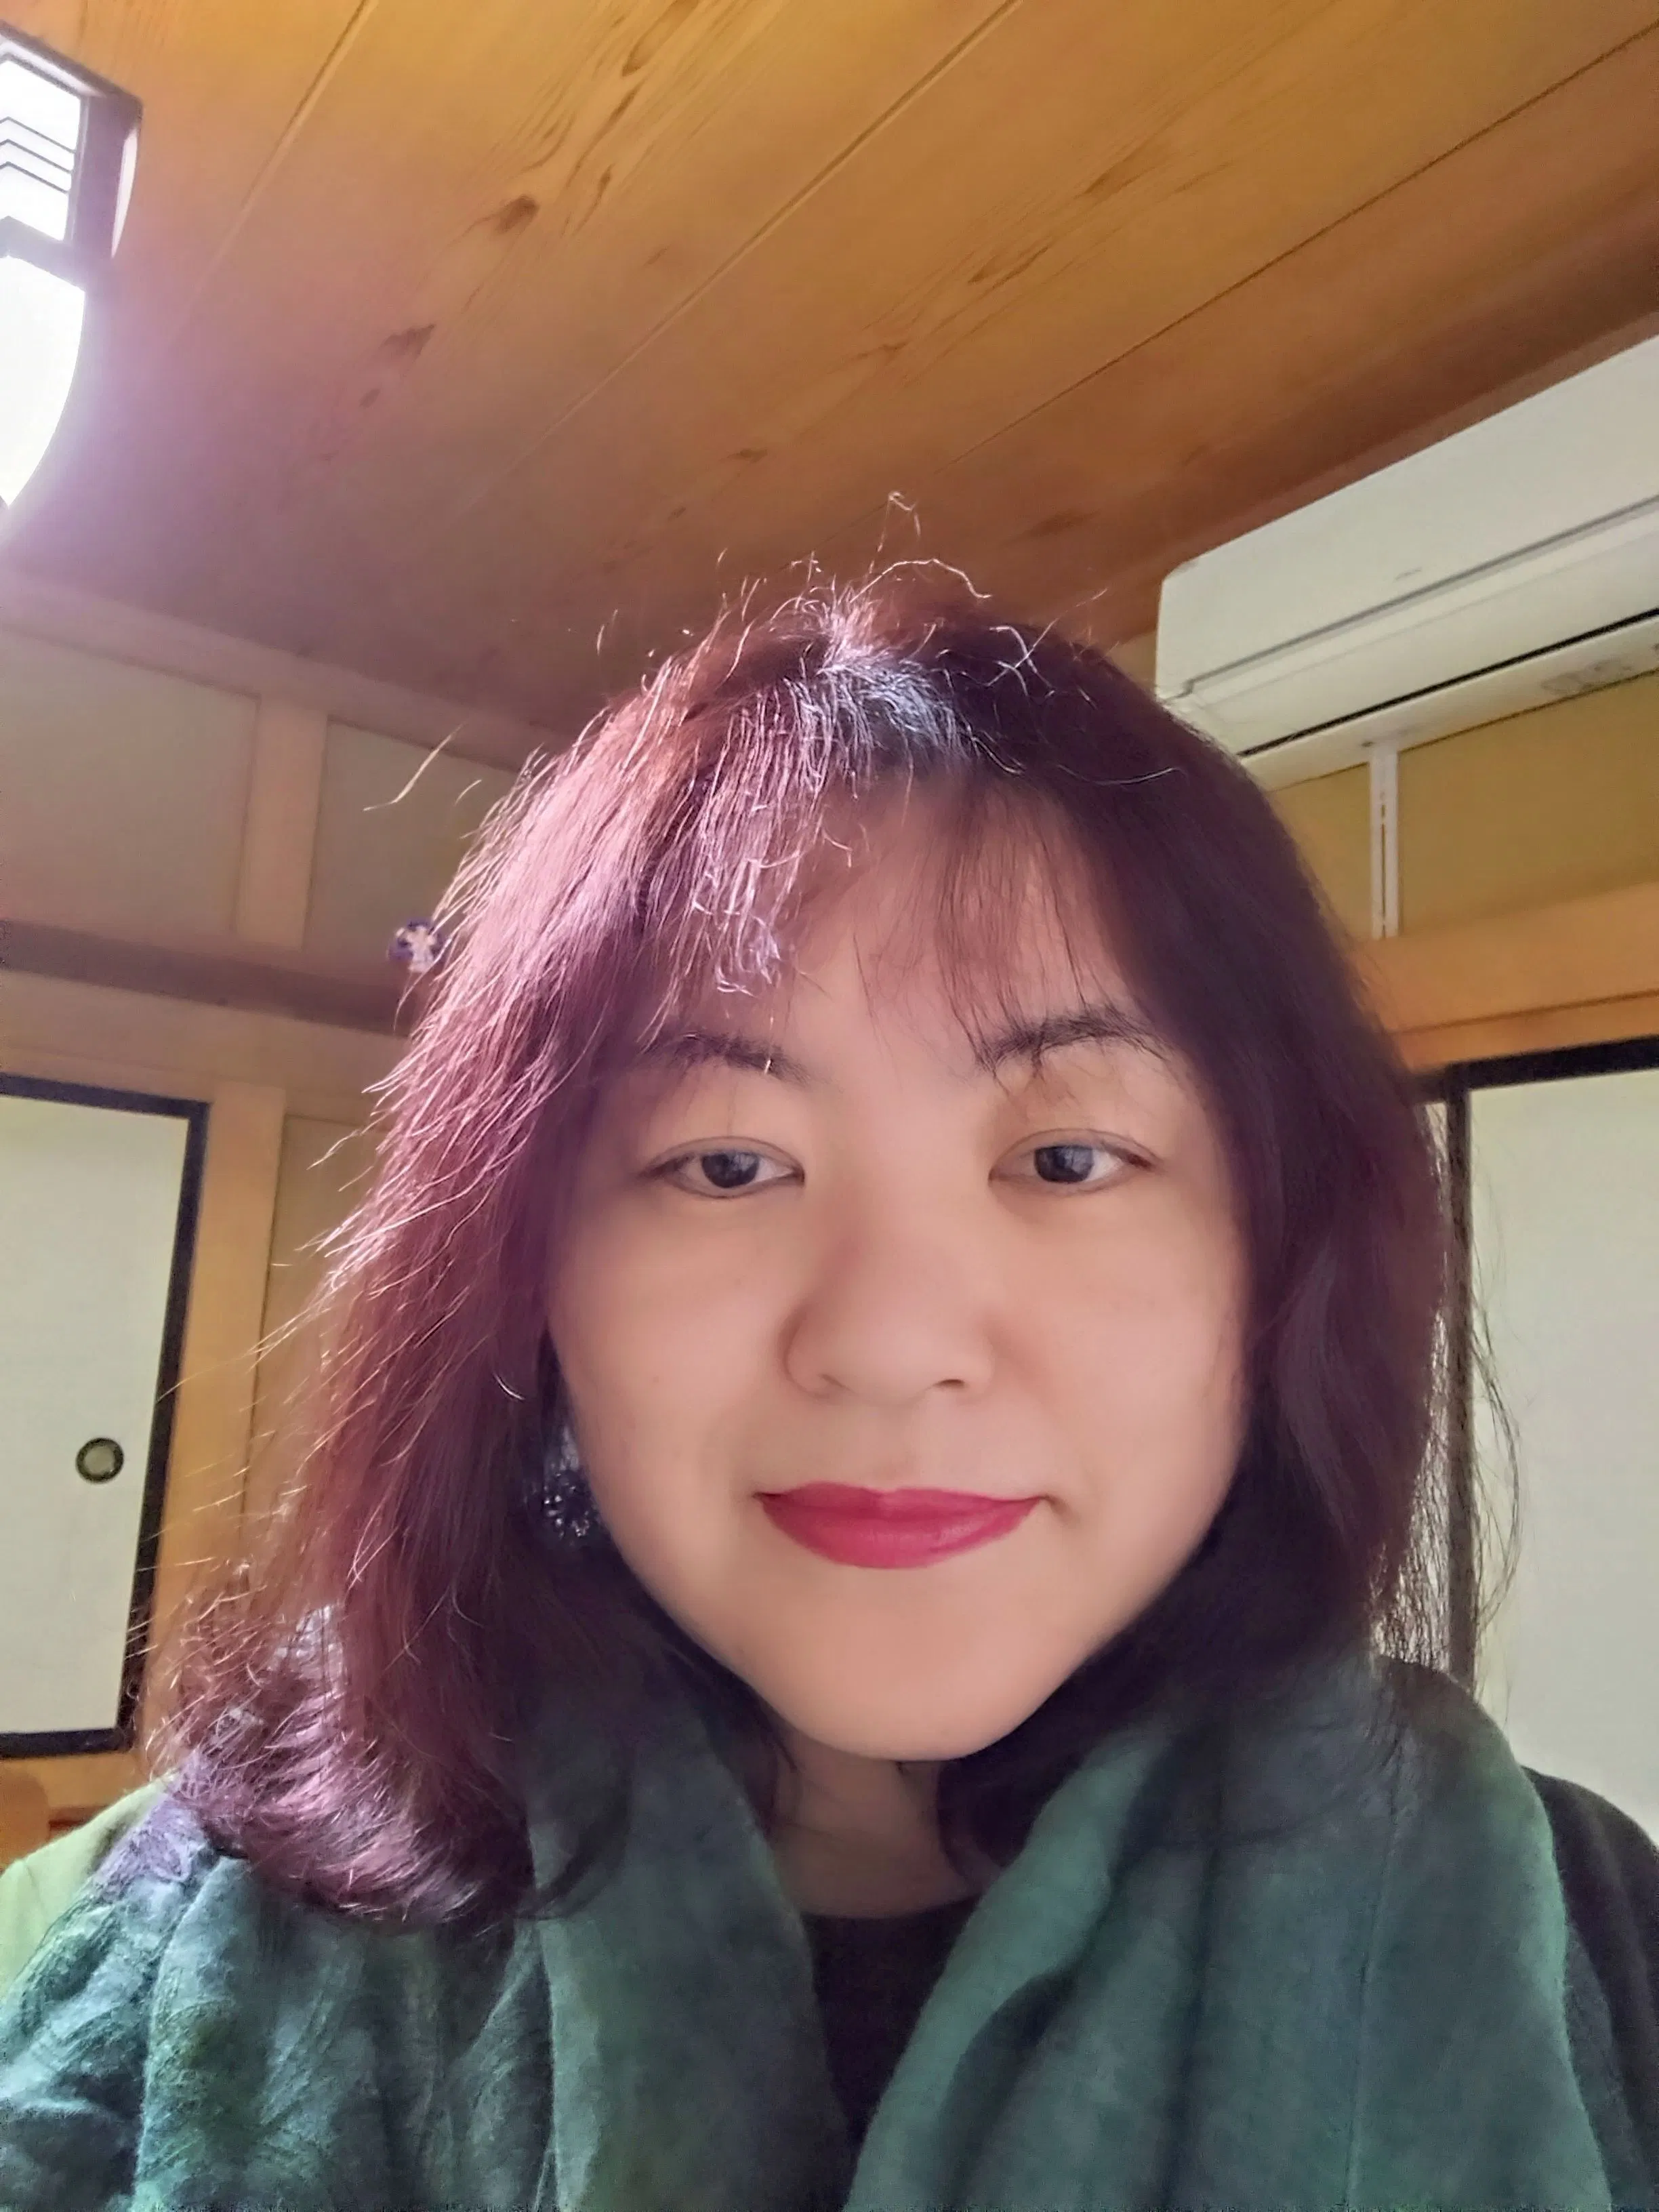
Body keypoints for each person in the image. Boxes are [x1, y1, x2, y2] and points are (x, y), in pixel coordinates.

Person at [1, 573, 1655, 2211]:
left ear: (1287, 1258)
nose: (888, 1340)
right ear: (528, 1278)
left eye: (1069, 1158)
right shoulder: (142, 1921)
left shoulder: (1592, 1935)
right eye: (727, 1163)